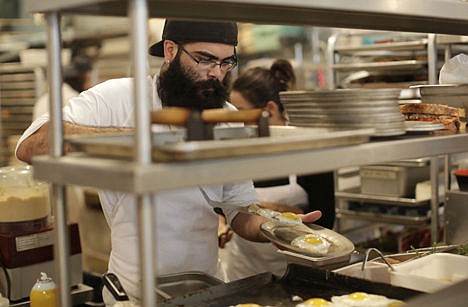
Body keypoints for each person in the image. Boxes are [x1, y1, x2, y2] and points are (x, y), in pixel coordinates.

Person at [15, 20, 321, 304]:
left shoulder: (226, 118)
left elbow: (239, 210)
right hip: (133, 292)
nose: (216, 72)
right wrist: (144, 138)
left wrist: (275, 230)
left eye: (225, 62)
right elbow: (31, 146)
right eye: (205, 59)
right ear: (171, 51)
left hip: (207, 288)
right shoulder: (120, 98)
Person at [218, 59, 335, 281]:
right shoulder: (236, 151)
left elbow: (325, 220)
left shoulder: (309, 150)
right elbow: (220, 206)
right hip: (242, 273)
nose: (237, 124)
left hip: (298, 272)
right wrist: (222, 222)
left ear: (269, 110)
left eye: (242, 114)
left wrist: (259, 208)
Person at [33, 55, 94, 120]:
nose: (90, 85)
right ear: (81, 79)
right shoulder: (74, 100)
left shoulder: (43, 98)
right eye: (89, 80)